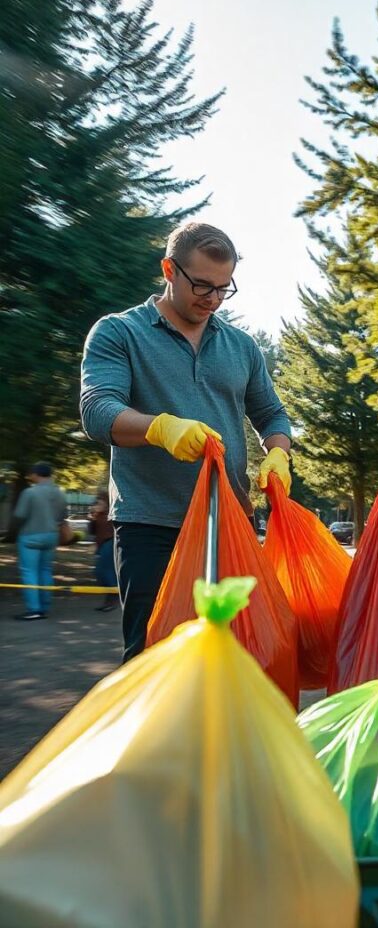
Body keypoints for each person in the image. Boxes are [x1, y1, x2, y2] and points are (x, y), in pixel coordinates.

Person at [80, 222, 292, 662]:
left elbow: (271, 414)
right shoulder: (119, 333)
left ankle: (222, 734)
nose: (212, 299)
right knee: (153, 658)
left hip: (230, 521)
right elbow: (98, 410)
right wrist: (160, 428)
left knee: (237, 656)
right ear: (168, 270)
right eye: (201, 285)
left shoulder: (241, 347)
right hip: (151, 523)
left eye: (223, 288)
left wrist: (277, 453)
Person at [10, 462, 67, 621]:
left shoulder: (30, 492)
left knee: (29, 571)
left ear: (36, 474)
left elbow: (20, 516)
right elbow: (63, 516)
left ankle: (34, 609)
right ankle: (45, 606)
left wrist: (12, 532)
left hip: (30, 535)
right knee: (45, 570)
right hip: (51, 535)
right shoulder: (60, 493)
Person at [89, 488, 118, 611]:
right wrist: (92, 518)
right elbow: (92, 531)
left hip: (110, 543)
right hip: (102, 545)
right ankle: (109, 599)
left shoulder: (111, 515)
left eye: (100, 502)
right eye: (97, 502)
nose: (97, 505)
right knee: (100, 572)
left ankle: (112, 599)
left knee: (105, 571)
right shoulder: (98, 515)